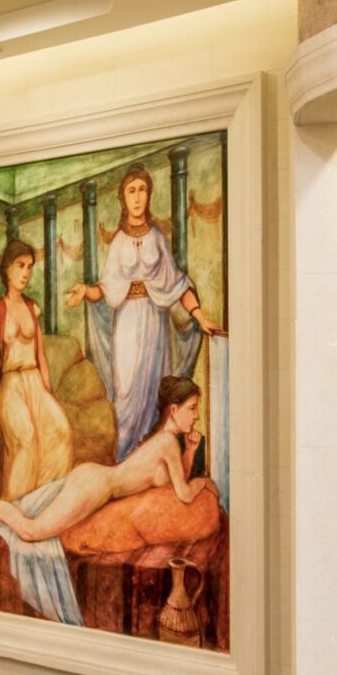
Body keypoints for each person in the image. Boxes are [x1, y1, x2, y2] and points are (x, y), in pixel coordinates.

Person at [64, 166, 222, 459]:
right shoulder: (117, 242)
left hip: (154, 325)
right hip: (126, 324)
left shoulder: (158, 238)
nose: (137, 197)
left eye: (142, 190)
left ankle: (154, 464)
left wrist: (200, 317)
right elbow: (105, 289)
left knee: (153, 395)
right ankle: (125, 463)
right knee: (125, 395)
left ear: (148, 195)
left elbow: (177, 284)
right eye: (131, 191)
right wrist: (85, 291)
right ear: (123, 198)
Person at [0, 377, 204, 544]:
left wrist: (191, 450)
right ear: (174, 410)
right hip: (95, 484)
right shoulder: (167, 442)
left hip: (95, 480)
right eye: (192, 408)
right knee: (32, 532)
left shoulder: (167, 442)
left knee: (35, 525)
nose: (196, 416)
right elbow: (184, 493)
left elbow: (178, 481)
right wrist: (203, 483)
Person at [0, 239, 71, 500]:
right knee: (26, 441)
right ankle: (15, 506)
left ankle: (44, 501)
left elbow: (41, 356)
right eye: (20, 266)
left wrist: (48, 393)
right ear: (7, 269)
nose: (26, 273)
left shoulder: (32, 308)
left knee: (62, 431)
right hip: (10, 386)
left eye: (29, 267)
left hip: (35, 382)